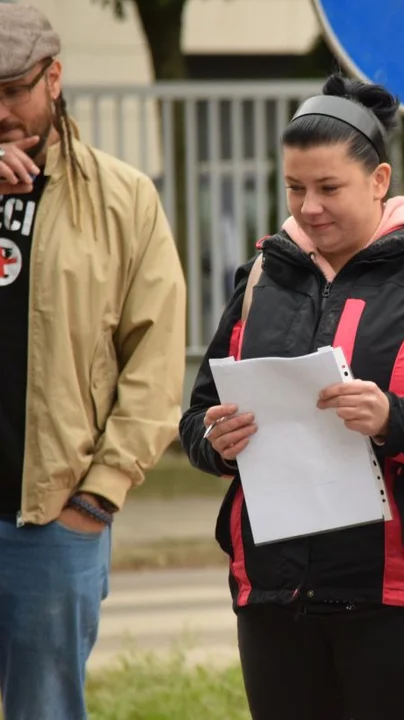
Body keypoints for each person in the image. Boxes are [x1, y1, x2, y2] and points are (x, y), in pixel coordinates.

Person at [178, 73, 404, 720]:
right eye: (295, 188)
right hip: (273, 599)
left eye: (328, 188)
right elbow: (196, 417)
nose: (308, 207)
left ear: (379, 181)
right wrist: (217, 443)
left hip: (403, 603)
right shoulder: (263, 276)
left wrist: (393, 419)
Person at [0, 5, 187, 720]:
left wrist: (98, 496)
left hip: (49, 521)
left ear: (54, 79)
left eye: (15, 89)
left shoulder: (122, 199)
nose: (3, 112)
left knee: (45, 710)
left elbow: (155, 357)